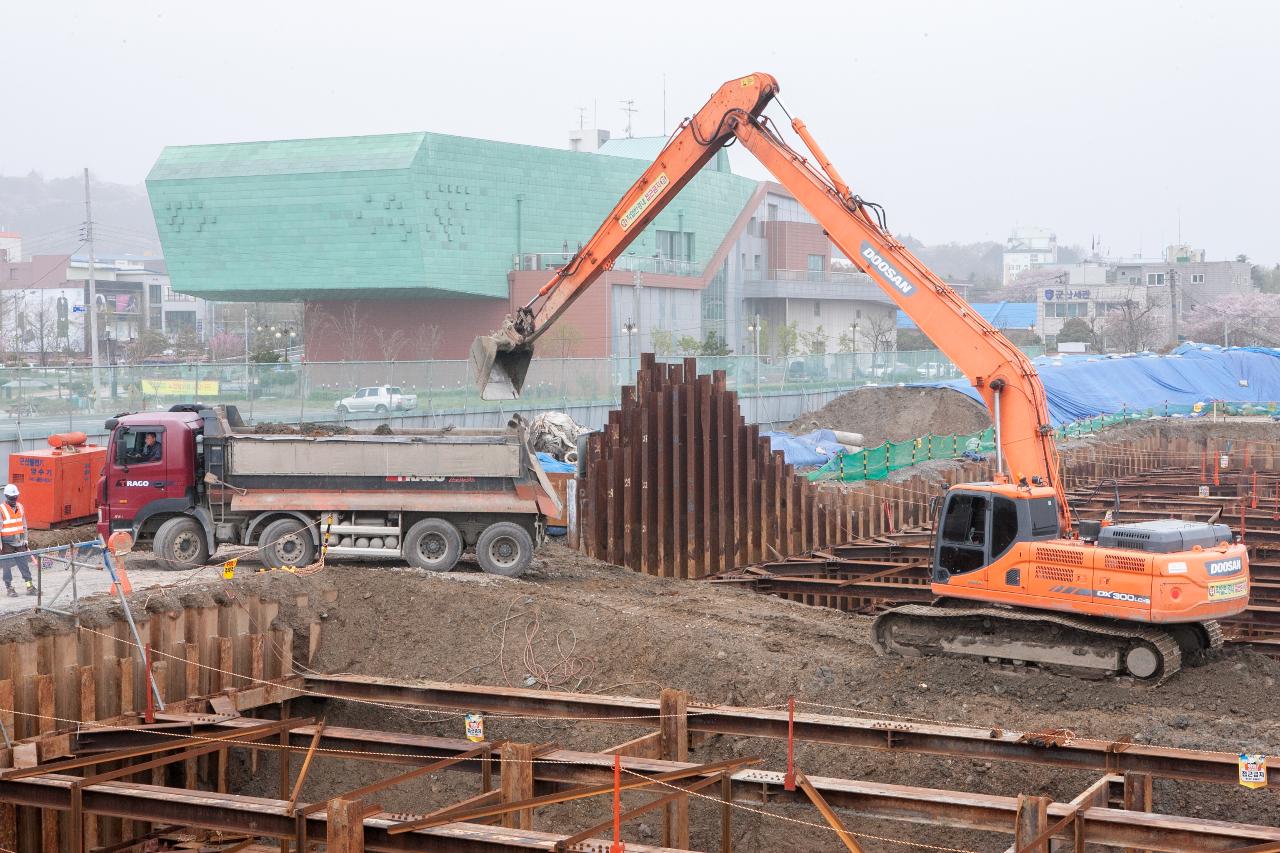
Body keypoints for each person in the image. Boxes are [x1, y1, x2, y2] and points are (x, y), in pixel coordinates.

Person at [0, 484, 35, 597]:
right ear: (6, 496)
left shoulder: (20, 507)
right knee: (6, 566)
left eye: (15, 497)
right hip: (6, 543)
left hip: (19, 541)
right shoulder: (1, 509)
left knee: (23, 564)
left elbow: (24, 524)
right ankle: (9, 588)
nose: (14, 500)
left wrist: (25, 539)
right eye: (11, 497)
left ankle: (29, 586)